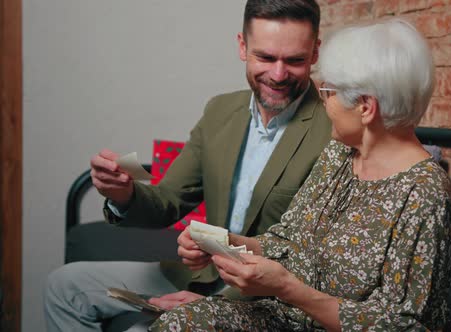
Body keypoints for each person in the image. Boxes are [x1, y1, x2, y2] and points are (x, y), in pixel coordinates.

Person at [151, 18, 451, 331]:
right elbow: (287, 240)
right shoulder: (340, 154)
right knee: (179, 324)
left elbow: (403, 325)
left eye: (328, 92)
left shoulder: (425, 194)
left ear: (365, 107)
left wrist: (287, 288)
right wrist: (223, 242)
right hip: (284, 317)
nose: (323, 103)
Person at [44, 1, 332, 331]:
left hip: (262, 298)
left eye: (294, 60)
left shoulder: (334, 130)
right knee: (63, 286)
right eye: (265, 57)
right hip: (195, 274)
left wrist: (217, 306)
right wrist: (124, 194)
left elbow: (313, 257)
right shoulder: (220, 111)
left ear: (314, 53)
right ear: (242, 46)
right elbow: (168, 200)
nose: (278, 75)